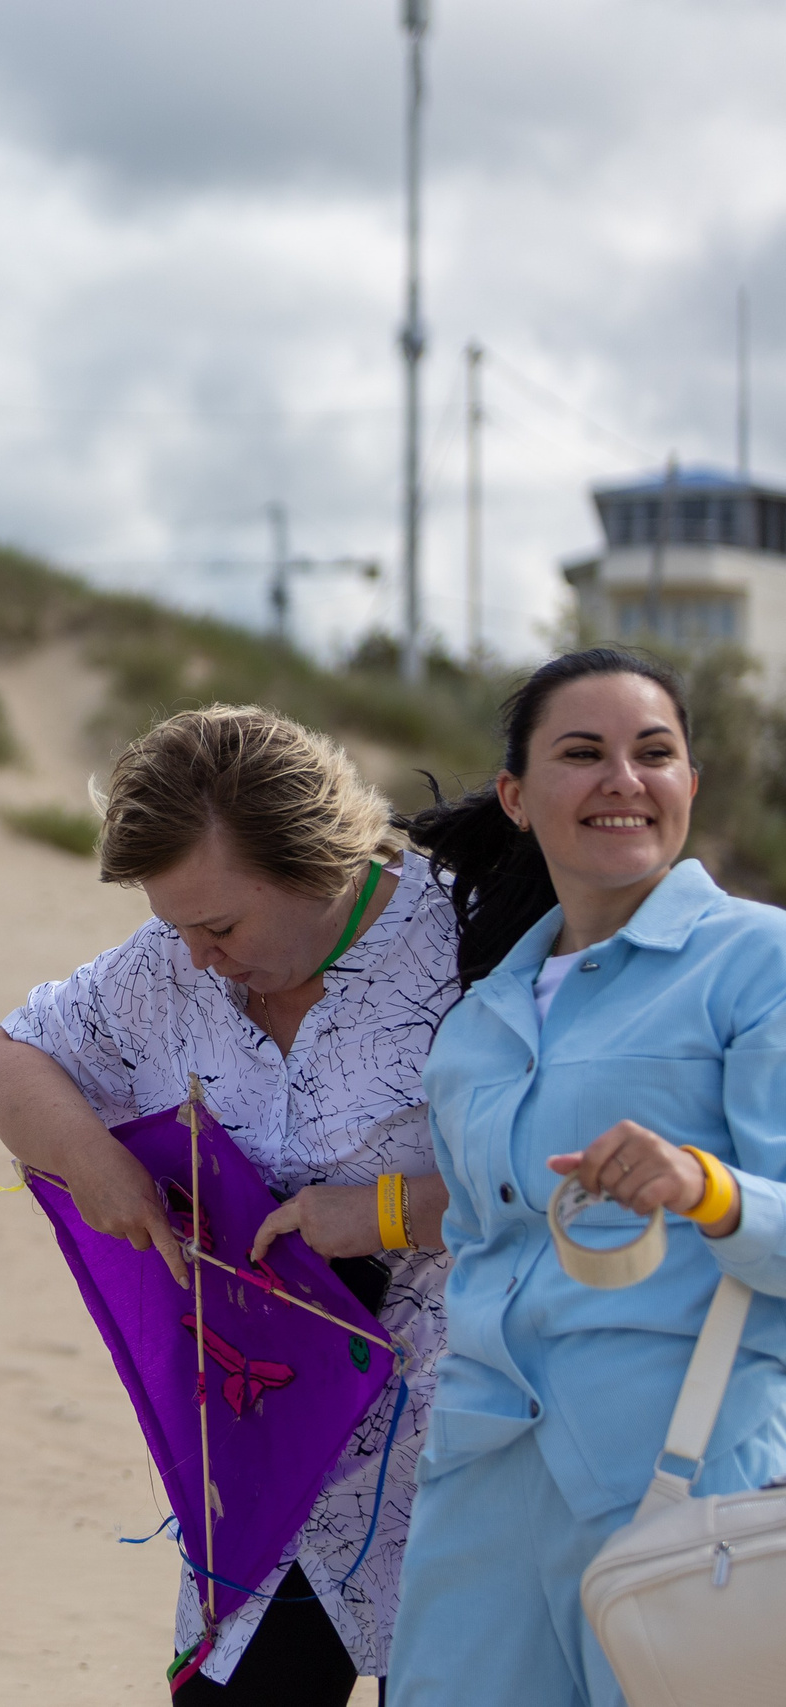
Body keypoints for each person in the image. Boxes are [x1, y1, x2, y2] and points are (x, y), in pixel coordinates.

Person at [0, 704, 459, 1702]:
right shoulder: (168, 967)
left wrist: (384, 1214)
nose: (197, 956)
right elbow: (10, 1058)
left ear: (320, 865)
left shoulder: (469, 945)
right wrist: (89, 1161)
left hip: (469, 1459)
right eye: (176, 925)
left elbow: (573, 1180)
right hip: (274, 1465)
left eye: (223, 926)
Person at [388, 648, 786, 1705]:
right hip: (480, 1484)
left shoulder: (761, 963)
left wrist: (705, 1188)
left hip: (684, 1485)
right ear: (516, 798)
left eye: (653, 753)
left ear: (689, 782)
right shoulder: (474, 1028)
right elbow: (476, 1254)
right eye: (582, 753)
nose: (623, 779)